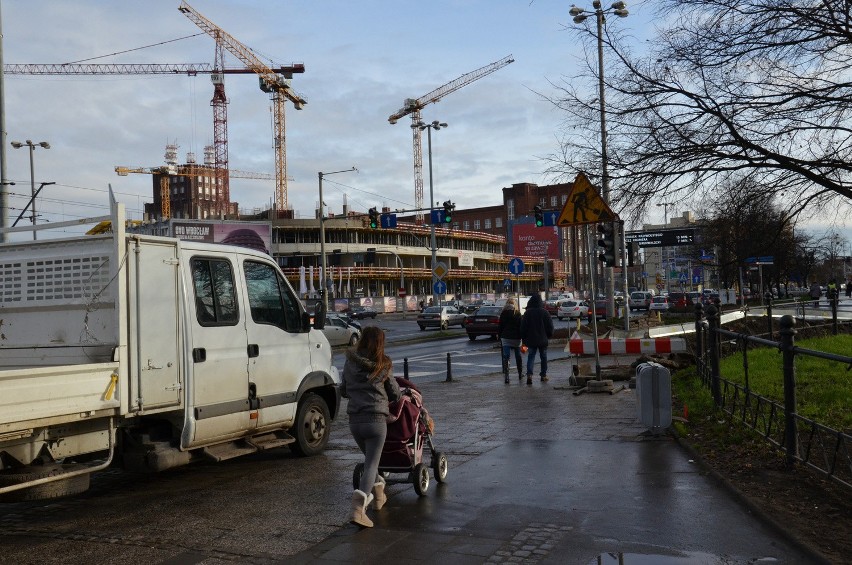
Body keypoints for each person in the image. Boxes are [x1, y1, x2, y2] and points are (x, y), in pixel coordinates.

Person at [341, 326, 401, 528]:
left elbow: (343, 390)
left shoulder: (350, 362)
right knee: (371, 465)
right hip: (376, 420)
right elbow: (394, 393)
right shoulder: (383, 364)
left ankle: (378, 497)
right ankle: (358, 510)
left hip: (355, 420)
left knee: (370, 460)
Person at [520, 293, 554, 385]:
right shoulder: (545, 312)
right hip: (543, 339)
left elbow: (523, 327)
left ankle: (529, 375)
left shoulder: (527, 313)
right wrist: (548, 336)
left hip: (531, 340)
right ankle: (543, 375)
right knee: (543, 357)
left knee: (531, 356)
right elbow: (550, 327)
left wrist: (524, 338)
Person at [498, 298, 524, 384]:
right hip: (516, 338)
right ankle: (520, 373)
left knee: (506, 357)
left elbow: (500, 327)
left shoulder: (503, 313)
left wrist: (500, 337)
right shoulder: (517, 313)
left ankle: (507, 376)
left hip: (505, 337)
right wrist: (522, 337)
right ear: (515, 304)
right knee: (518, 356)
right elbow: (521, 327)